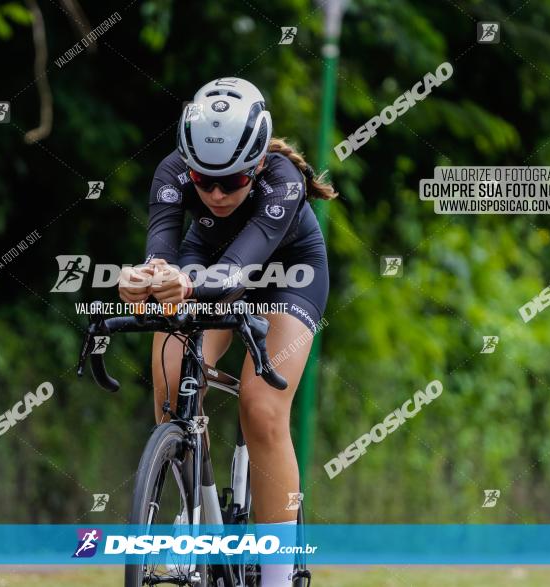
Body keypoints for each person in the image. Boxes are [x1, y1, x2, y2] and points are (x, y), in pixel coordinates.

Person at [118, 77, 336, 587]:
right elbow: (163, 247)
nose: (215, 193)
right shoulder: (172, 171)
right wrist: (143, 277)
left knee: (261, 407)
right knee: (171, 376)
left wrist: (182, 281)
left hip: (288, 274)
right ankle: (194, 522)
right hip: (206, 263)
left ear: (258, 164)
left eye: (231, 182)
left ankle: (279, 576)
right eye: (203, 179)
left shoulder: (282, 180)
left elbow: (240, 271)